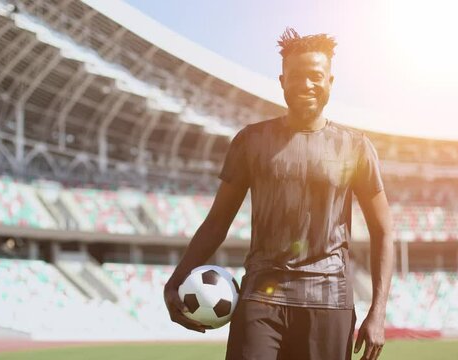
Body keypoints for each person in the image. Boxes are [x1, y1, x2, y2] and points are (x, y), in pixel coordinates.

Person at [164, 28, 393, 360]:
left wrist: (378, 310)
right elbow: (217, 223)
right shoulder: (250, 141)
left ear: (330, 81)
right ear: (282, 80)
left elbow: (383, 229)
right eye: (296, 76)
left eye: (316, 76)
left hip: (329, 301)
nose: (306, 85)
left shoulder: (356, 147)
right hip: (261, 298)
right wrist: (176, 280)